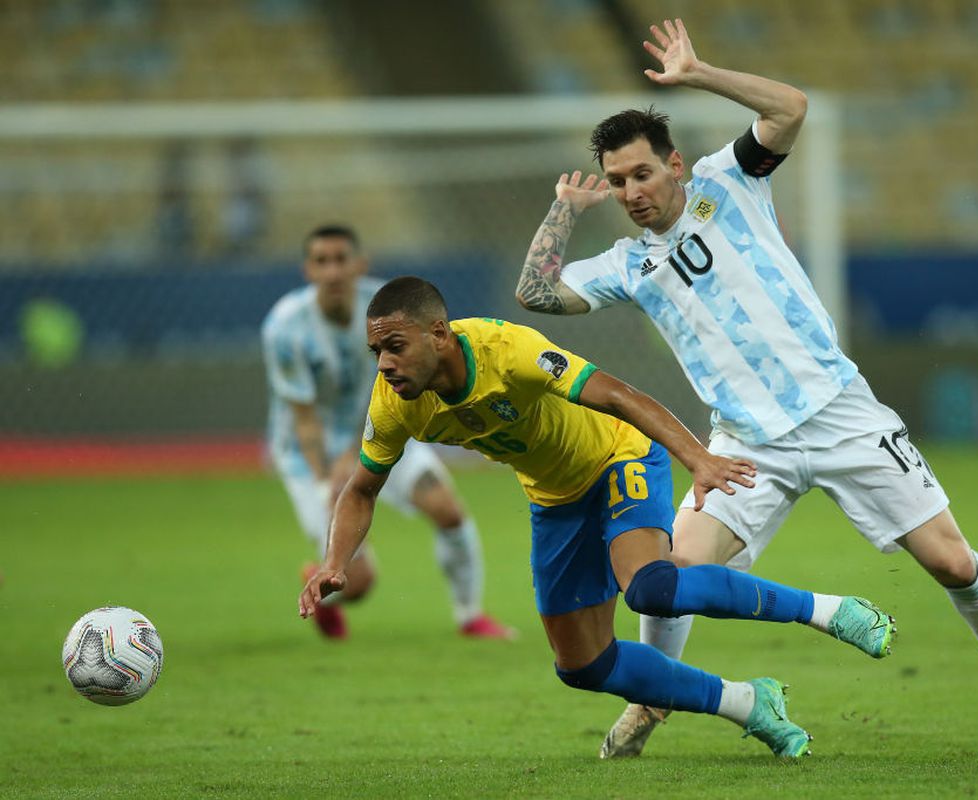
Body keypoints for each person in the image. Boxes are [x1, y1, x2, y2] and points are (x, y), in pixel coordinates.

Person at [514, 18, 978, 755]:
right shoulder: (623, 264)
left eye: (641, 173)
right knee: (669, 575)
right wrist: (563, 207)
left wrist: (699, 72)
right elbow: (534, 293)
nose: (631, 191)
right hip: (745, 442)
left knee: (952, 562)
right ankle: (653, 700)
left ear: (673, 164)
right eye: (616, 182)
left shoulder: (729, 180)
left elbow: (790, 109)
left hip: (840, 411)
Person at [299, 276, 898, 759]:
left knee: (652, 587)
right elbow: (361, 490)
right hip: (555, 498)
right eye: (375, 350)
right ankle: (747, 703)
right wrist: (334, 562)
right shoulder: (395, 403)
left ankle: (830, 611)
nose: (383, 363)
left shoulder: (510, 352)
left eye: (394, 346)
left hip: (618, 455)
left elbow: (617, 395)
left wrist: (698, 459)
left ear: (439, 334)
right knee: (582, 665)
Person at [263, 224, 513, 641]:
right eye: (322, 261)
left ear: (360, 264)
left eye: (341, 259)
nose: (333, 271)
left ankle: (470, 616)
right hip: (308, 455)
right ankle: (323, 594)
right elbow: (304, 419)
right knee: (355, 582)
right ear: (308, 269)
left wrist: (353, 455)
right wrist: (329, 482)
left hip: (384, 429)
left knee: (448, 511)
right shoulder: (284, 329)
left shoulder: (386, 314)